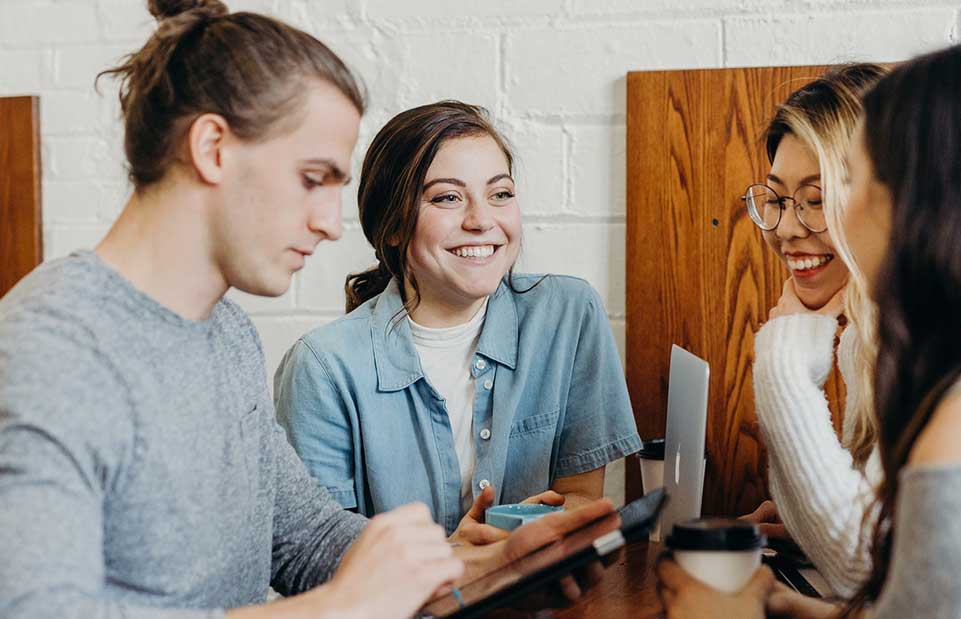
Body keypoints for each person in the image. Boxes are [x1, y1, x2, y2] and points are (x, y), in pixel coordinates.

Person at [0, 2, 614, 618]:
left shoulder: (224, 332)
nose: (327, 223)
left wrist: (478, 567)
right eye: (311, 178)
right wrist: (336, 609)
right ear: (212, 147)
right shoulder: (51, 349)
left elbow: (306, 539)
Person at [659, 40, 961, 618]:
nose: (802, 223)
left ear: (933, 200)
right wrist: (799, 609)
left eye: (856, 182)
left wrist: (730, 615)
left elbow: (876, 569)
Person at [274, 100, 642, 543]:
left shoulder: (568, 315)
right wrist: (458, 559)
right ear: (392, 226)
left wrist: (533, 530)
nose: (482, 220)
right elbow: (321, 557)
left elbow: (582, 497)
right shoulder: (322, 367)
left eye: (500, 194)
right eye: (447, 197)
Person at [740, 64, 886, 597]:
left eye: (817, 199)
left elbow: (863, 568)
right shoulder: (865, 334)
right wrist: (807, 524)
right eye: (776, 199)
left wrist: (782, 361)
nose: (786, 228)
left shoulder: (930, 340)